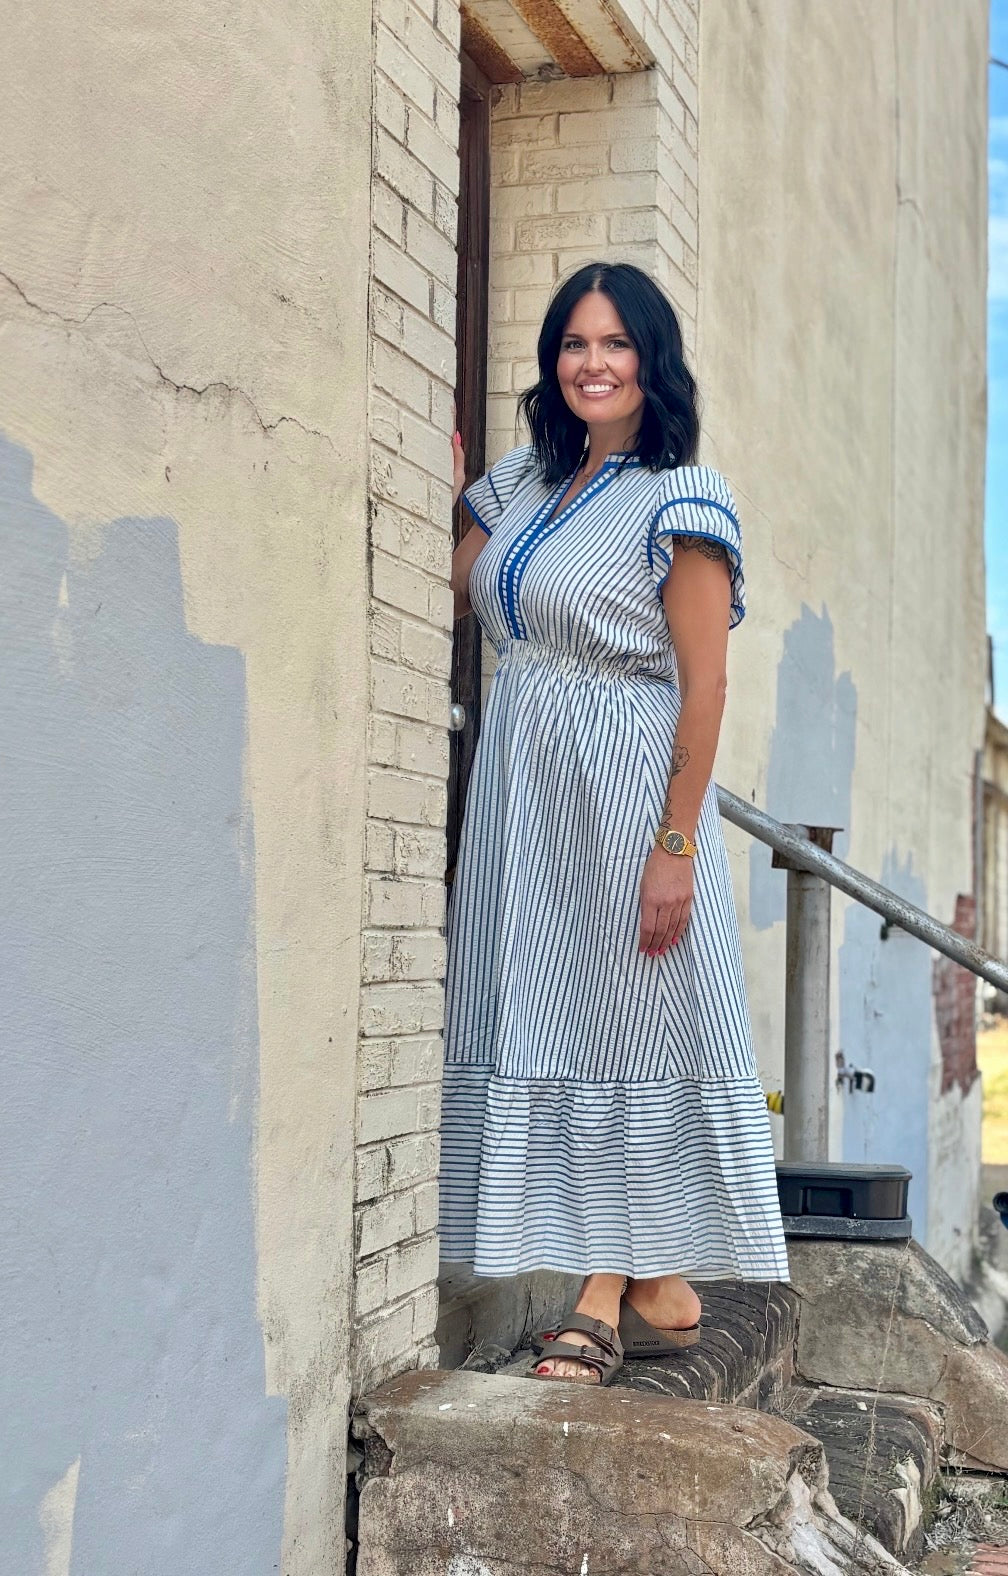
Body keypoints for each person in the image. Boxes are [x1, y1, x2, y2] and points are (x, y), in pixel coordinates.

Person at [440, 262, 789, 1385]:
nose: (592, 364)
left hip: (625, 787)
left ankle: (600, 1291)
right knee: (554, 1013)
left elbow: (706, 685)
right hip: (525, 795)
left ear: (653, 361)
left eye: (615, 343)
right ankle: (658, 1283)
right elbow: (464, 578)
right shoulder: (530, 484)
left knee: (625, 1019)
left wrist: (675, 843)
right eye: (573, 344)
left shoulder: (683, 496)